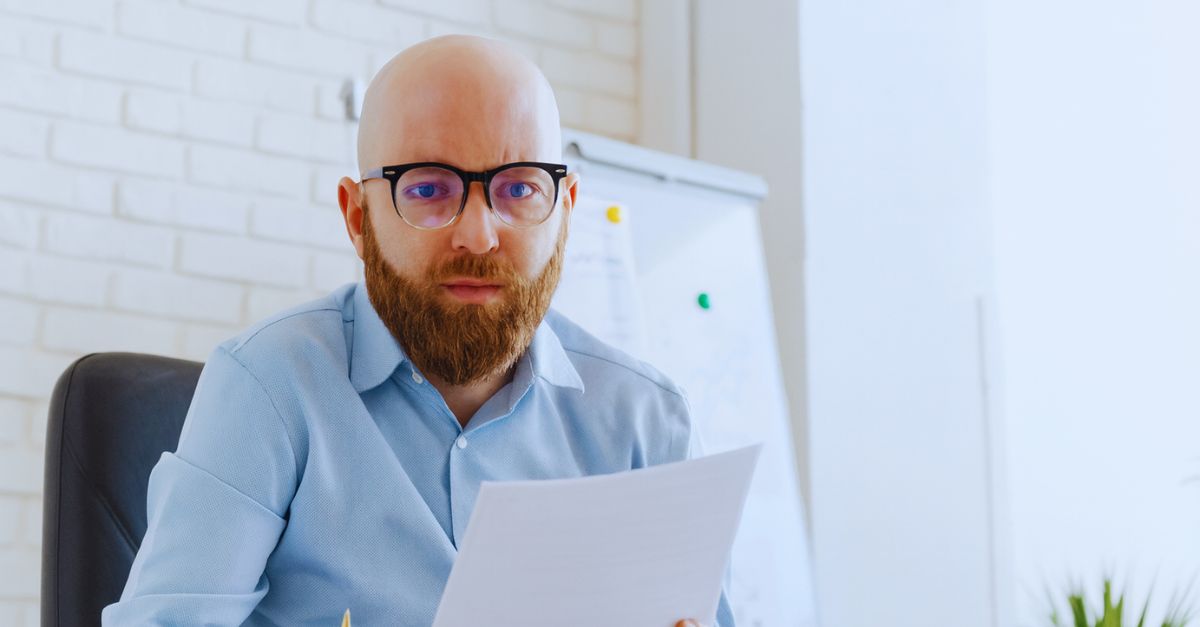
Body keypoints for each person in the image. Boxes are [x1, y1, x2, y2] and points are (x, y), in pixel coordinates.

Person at [102, 34, 734, 626]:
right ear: (358, 217)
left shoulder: (650, 425)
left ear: (563, 216)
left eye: (518, 189)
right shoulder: (270, 385)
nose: (479, 235)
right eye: (429, 188)